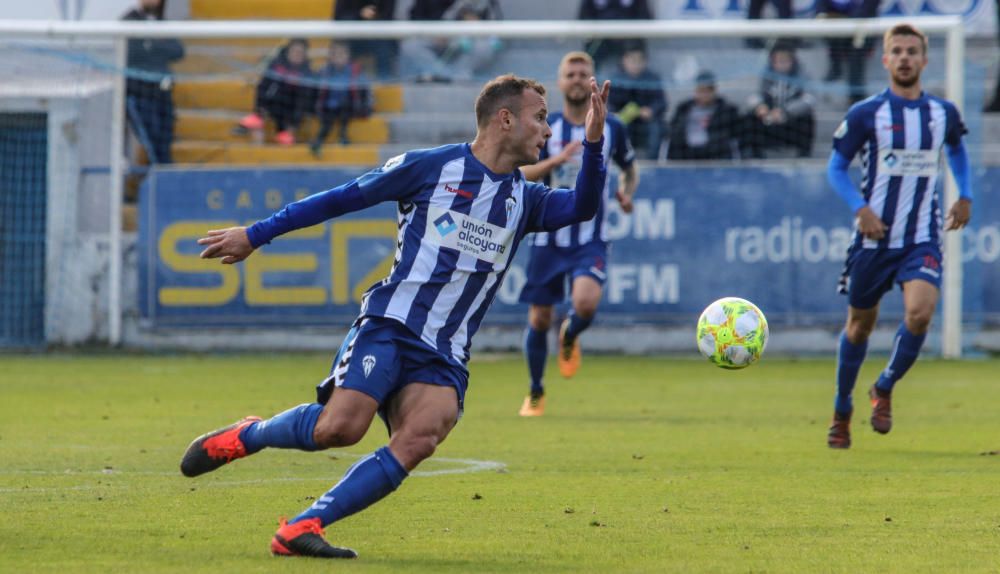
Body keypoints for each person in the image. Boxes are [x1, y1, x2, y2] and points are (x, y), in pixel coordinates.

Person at [181, 73, 612, 558]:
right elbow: (343, 197)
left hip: (445, 351)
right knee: (338, 430)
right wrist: (257, 234)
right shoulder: (431, 168)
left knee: (423, 435)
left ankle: (303, 526)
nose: (548, 130)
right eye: (539, 118)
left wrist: (594, 141)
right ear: (505, 119)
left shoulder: (525, 201)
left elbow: (584, 204)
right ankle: (250, 434)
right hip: (391, 324)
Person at [825, 24, 973, 449]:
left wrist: (965, 194)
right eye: (897, 51)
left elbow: (958, 151)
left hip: (921, 237)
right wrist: (861, 208)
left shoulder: (943, 113)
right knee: (858, 327)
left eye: (912, 51)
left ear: (924, 61)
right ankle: (842, 407)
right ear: (885, 60)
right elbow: (836, 168)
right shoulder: (866, 114)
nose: (905, 57)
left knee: (921, 313)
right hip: (874, 240)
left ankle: (885, 386)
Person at [516, 51, 638, 417]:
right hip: (548, 237)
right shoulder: (545, 125)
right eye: (570, 73)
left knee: (585, 303)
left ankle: (569, 335)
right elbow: (521, 173)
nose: (575, 78)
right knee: (538, 319)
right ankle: (536, 391)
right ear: (559, 82)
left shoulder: (612, 126)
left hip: (590, 236)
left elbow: (630, 169)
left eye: (582, 73)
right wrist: (554, 161)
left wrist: (627, 193)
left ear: (592, 81)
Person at [121, 0, 184, 164]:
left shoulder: (161, 22)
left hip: (162, 91)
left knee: (164, 140)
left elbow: (178, 51)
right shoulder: (128, 21)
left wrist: (151, 45)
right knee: (151, 138)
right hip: (138, 91)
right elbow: (134, 53)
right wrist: (156, 44)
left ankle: (165, 176)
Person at [741, 42, 816, 158]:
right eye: (778, 61)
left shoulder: (802, 75)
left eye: (785, 60)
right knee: (749, 117)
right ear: (772, 61)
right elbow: (752, 96)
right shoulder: (764, 74)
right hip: (769, 119)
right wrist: (760, 106)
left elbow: (809, 100)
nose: (782, 64)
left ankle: (803, 156)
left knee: (808, 118)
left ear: (793, 61)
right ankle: (755, 156)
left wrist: (785, 111)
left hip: (791, 122)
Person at [401, 0, 503, 83]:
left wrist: (476, 25)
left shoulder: (487, 3)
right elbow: (415, 19)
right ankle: (441, 74)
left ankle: (456, 77)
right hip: (437, 38)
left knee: (483, 47)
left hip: (470, 42)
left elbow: (498, 30)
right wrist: (436, 32)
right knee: (410, 46)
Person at [236, 38, 314, 146]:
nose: (296, 55)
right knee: (256, 127)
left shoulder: (306, 74)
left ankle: (284, 136)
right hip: (271, 106)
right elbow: (263, 87)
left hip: (289, 114)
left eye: (300, 53)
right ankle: (256, 151)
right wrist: (259, 109)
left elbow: (303, 101)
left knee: (286, 140)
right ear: (288, 51)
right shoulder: (276, 66)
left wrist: (294, 124)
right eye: (294, 51)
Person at [309, 41, 373, 157]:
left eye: (342, 54)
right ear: (330, 57)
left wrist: (366, 106)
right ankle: (318, 141)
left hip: (349, 105)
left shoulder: (355, 71)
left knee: (345, 112)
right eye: (335, 54)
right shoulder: (324, 72)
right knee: (327, 121)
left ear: (348, 56)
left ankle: (343, 136)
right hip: (328, 106)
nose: (338, 58)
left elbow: (365, 90)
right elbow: (315, 90)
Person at [665, 71, 741, 160]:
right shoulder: (683, 109)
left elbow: (735, 133)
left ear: (714, 90)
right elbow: (672, 129)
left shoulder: (726, 110)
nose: (704, 95)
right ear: (696, 91)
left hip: (715, 154)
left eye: (708, 91)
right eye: (701, 91)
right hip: (686, 154)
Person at [816, 0, 881, 105]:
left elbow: (869, 8)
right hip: (839, 27)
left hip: (864, 28)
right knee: (834, 32)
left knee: (856, 51)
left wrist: (853, 21)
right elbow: (822, 8)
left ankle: (856, 95)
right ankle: (835, 68)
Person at [609, 44, 667, 160]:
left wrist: (651, 110)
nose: (636, 64)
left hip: (646, 121)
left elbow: (661, 102)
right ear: (624, 60)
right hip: (625, 121)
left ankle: (652, 163)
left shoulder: (652, 78)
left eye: (639, 60)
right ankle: (622, 161)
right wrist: (618, 114)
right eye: (632, 60)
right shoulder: (615, 79)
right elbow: (610, 104)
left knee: (656, 128)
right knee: (618, 128)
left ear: (645, 62)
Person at [578, 0, 653, 73]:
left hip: (628, 38)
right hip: (599, 38)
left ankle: (634, 83)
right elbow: (583, 17)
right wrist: (601, 29)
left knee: (635, 54)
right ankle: (588, 81)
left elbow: (645, 17)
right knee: (590, 53)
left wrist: (626, 30)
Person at [332, 0, 398, 80]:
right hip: (352, 37)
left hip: (377, 38)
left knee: (385, 49)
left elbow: (388, 16)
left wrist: (374, 15)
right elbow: (339, 17)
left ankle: (384, 85)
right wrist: (360, 14)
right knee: (341, 48)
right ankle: (344, 85)